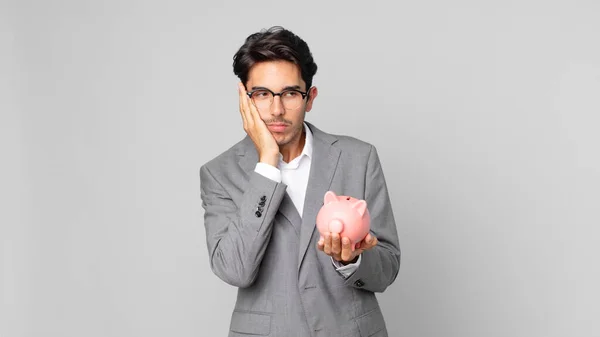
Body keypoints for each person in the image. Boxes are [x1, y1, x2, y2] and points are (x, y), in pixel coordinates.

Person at [199, 26, 401, 337]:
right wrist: (267, 163)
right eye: (262, 94)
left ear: (310, 98)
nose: (276, 110)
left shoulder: (358, 158)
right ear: (245, 99)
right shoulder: (219, 173)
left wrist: (352, 261)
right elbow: (235, 269)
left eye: (290, 93)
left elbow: (386, 268)